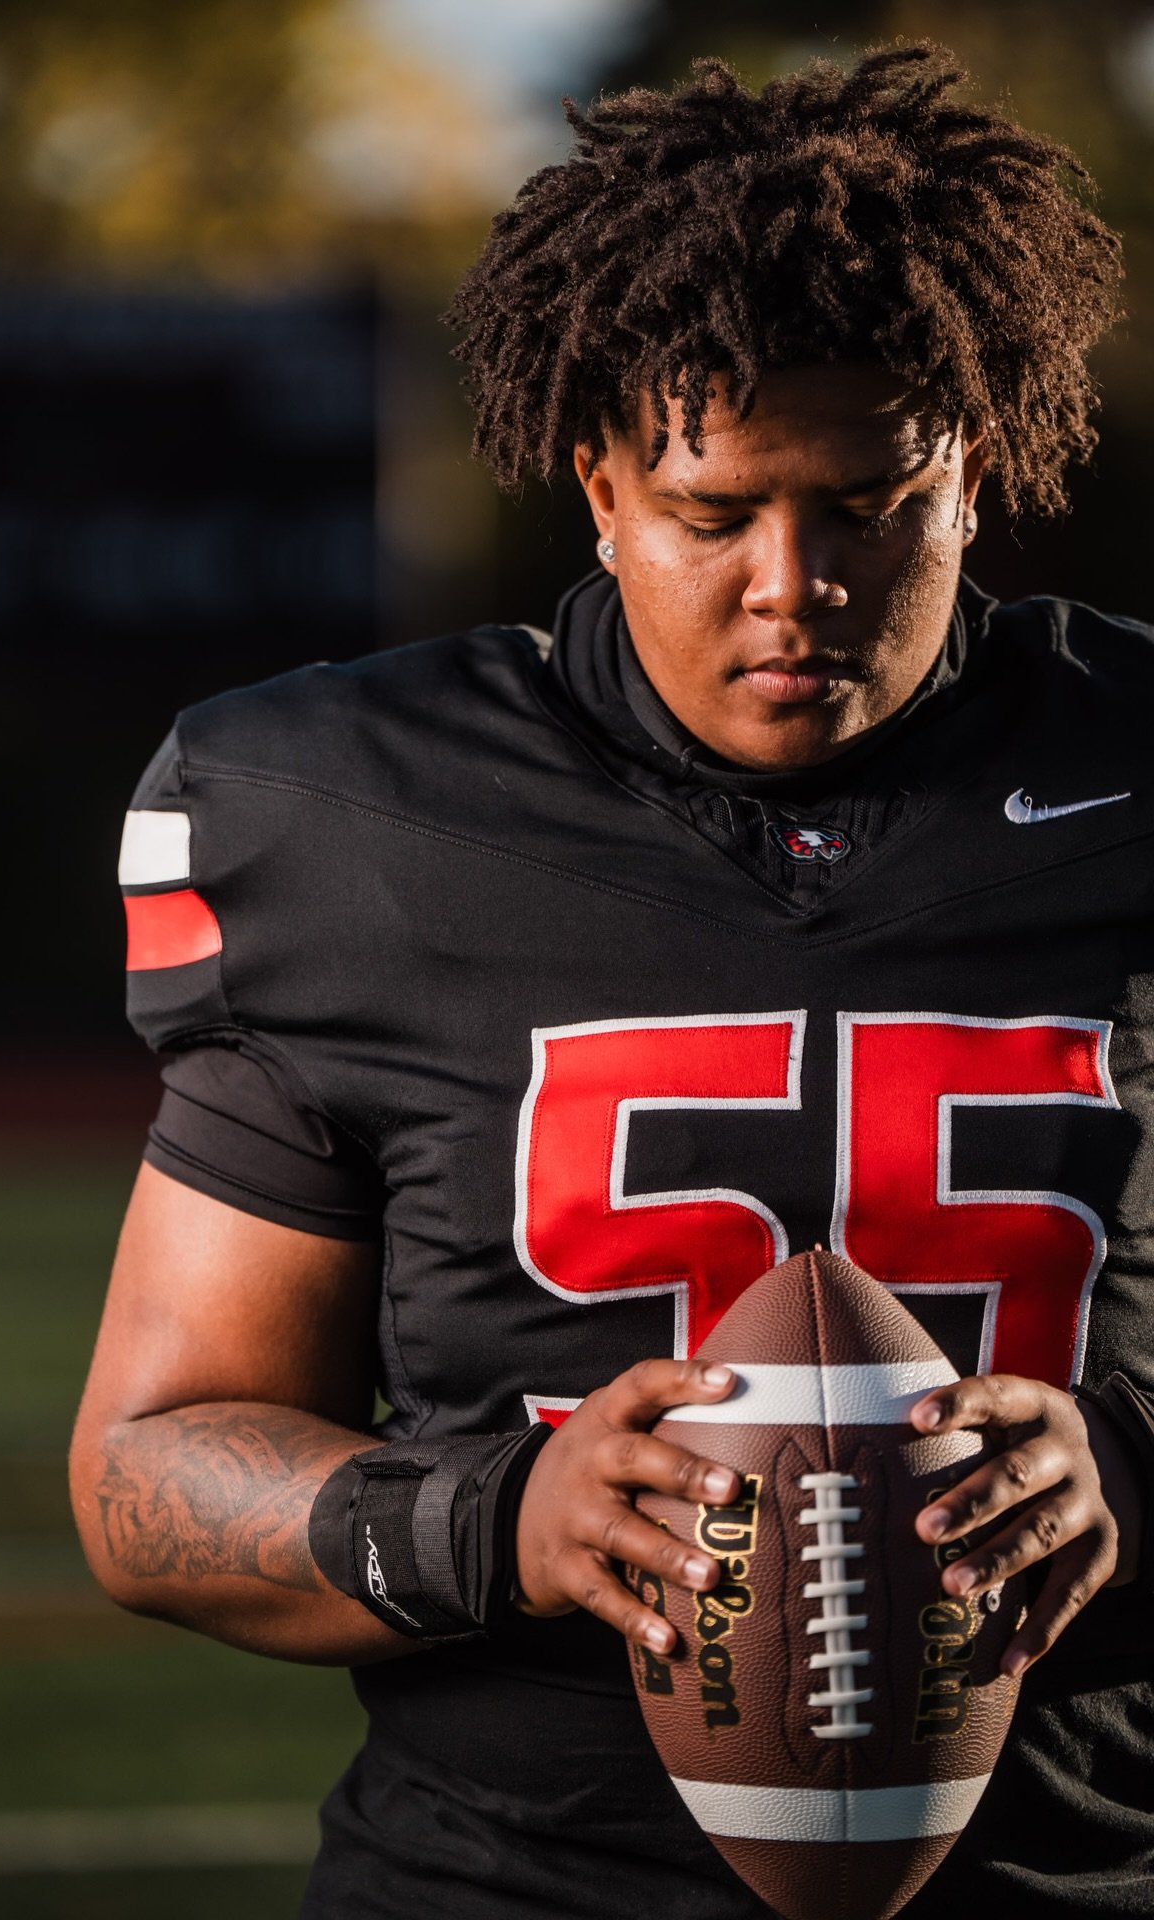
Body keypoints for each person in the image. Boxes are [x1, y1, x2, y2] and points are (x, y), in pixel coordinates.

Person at [70, 44, 1154, 1918]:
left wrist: (1128, 1479)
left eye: (869, 501)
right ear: (598, 486)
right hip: (502, 1887)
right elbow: (149, 1474)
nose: (791, 585)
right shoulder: (349, 816)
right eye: (715, 511)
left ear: (970, 472)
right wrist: (501, 1520)